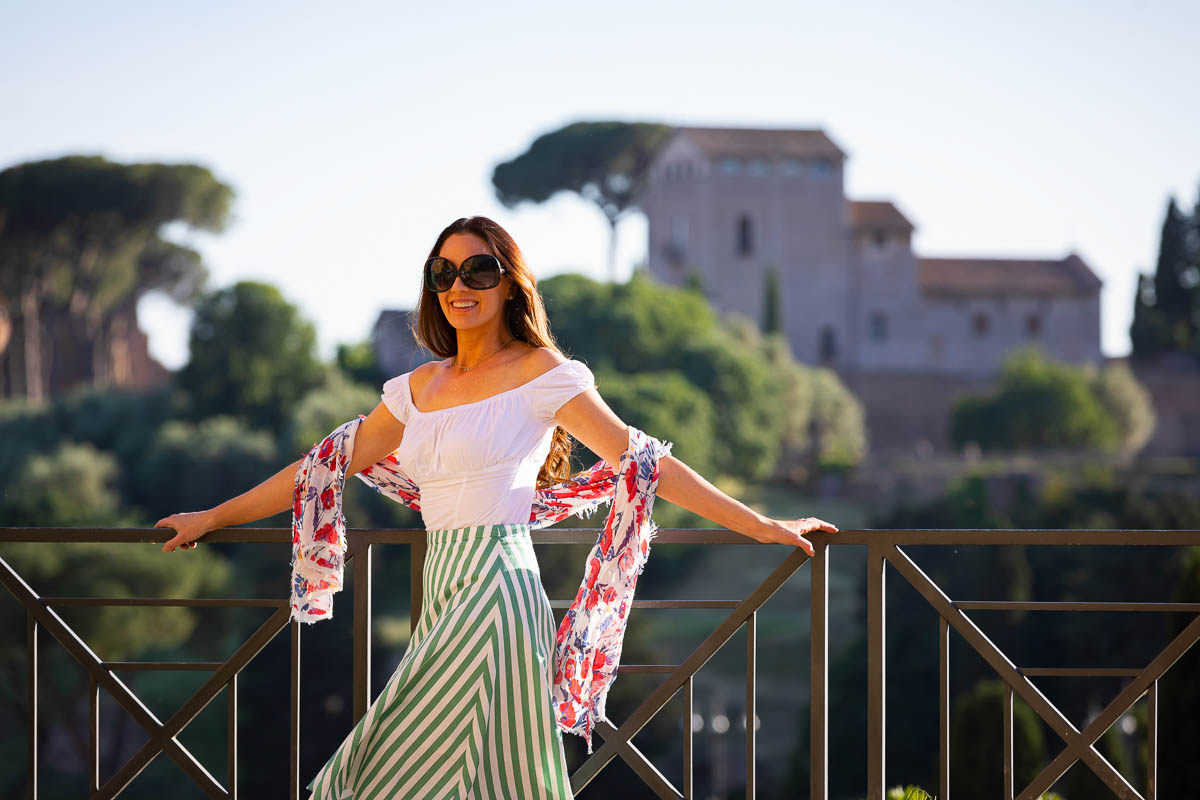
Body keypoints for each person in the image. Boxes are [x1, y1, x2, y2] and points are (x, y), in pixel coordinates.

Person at [154, 215, 838, 798]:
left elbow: (642, 461)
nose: (460, 287)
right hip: (443, 588)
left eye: (479, 271)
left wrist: (759, 524)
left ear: (510, 281)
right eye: (443, 274)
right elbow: (319, 469)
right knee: (501, 775)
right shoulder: (417, 388)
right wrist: (211, 518)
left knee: (379, 764)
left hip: (497, 592)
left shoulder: (543, 373)